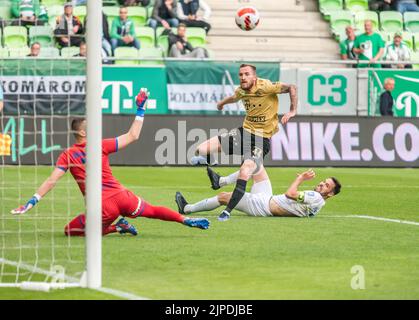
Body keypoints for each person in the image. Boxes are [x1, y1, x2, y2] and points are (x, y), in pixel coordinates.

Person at [11, 89, 210, 235]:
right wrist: (140, 110)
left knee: (70, 231)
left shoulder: (68, 155)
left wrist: (32, 201)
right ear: (81, 132)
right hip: (122, 196)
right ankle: (185, 220)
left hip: (102, 206)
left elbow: (52, 180)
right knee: (152, 210)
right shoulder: (100, 145)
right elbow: (133, 135)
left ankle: (117, 227)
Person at [191, 64, 297, 221]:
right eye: (240, 74)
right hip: (243, 133)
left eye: (247, 74)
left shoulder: (265, 86)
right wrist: (221, 103)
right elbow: (234, 97)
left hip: (261, 140)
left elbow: (292, 87)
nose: (243, 77)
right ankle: (211, 162)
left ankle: (227, 211)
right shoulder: (241, 90)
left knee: (246, 170)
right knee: (200, 149)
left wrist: (292, 110)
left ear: (254, 76)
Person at [175, 168, 341, 219]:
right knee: (256, 166)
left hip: (263, 207)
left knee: (224, 197)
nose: (321, 184)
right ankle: (220, 180)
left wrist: (301, 179)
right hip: (268, 199)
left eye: (326, 185)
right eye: (323, 182)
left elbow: (290, 194)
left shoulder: (316, 197)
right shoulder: (320, 202)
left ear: (330, 194)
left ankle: (187, 209)